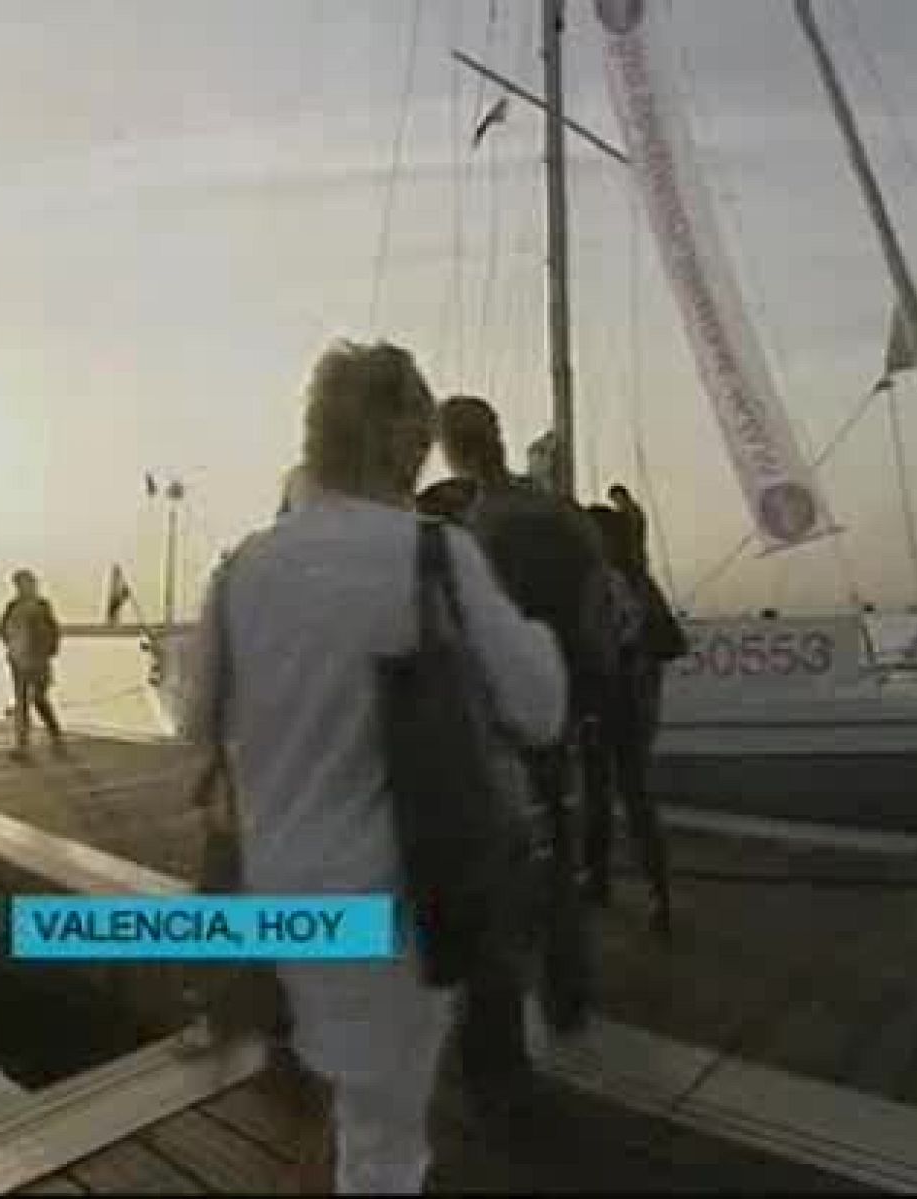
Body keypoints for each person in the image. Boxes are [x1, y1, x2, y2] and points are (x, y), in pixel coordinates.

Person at [184, 341, 567, 1194]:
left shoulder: (241, 567)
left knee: (336, 1091)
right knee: (385, 1144)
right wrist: (537, 634)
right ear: (407, 442)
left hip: (273, 903)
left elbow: (194, 721)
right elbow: (540, 707)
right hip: (390, 907)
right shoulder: (433, 553)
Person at [419, 396, 613, 1121]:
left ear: (450, 447)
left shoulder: (473, 533)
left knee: (492, 869)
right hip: (565, 701)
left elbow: (468, 633)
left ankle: (495, 1050)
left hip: (499, 720)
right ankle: (568, 988)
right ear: (497, 437)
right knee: (558, 845)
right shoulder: (561, 513)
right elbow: (597, 601)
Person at [579, 505, 676, 935]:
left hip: (611, 700)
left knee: (604, 793)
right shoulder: (636, 580)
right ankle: (650, 892)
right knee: (626, 797)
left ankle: (604, 882)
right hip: (630, 701)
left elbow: (598, 639)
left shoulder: (603, 582)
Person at [0, 569, 66, 761]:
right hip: (18, 661)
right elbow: (2, 628)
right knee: (21, 703)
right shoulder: (12, 606)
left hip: (38, 660)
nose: (21, 587)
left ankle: (56, 735)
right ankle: (22, 746)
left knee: (39, 699)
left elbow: (54, 630)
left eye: (25, 583)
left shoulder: (42, 605)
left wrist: (49, 650)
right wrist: (12, 646)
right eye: (18, 584)